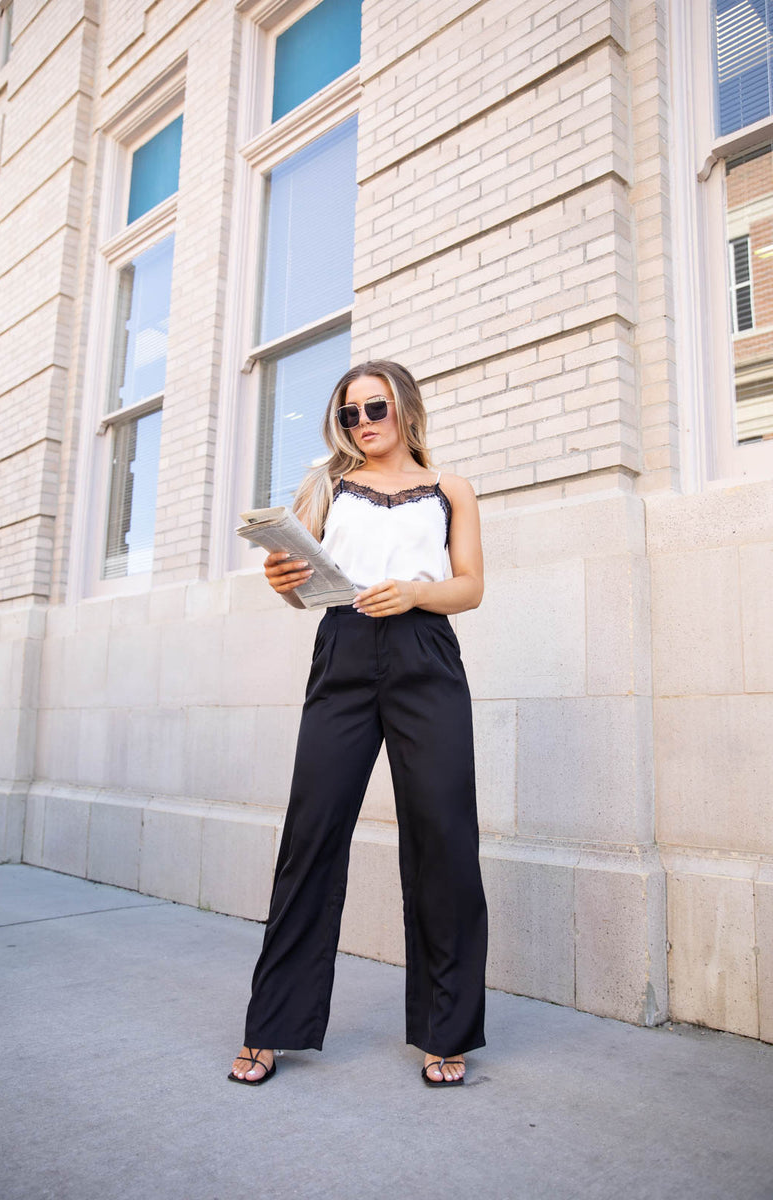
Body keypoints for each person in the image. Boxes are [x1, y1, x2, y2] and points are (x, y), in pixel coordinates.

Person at [228, 360, 488, 1088]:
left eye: (373, 408)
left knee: (443, 836)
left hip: (425, 653)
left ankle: (447, 1028)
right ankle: (272, 1025)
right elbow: (298, 582)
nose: (362, 423)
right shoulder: (324, 488)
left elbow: (470, 585)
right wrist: (282, 582)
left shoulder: (451, 490)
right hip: (342, 651)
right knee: (311, 834)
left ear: (403, 407)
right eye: (348, 414)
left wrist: (414, 592)